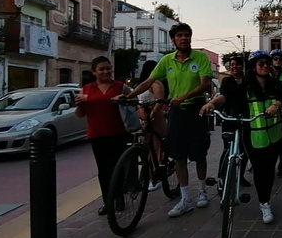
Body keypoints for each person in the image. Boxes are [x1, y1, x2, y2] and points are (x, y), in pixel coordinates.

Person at [125, 23, 213, 218]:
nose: (184, 38)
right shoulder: (166, 60)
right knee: (178, 155)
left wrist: (182, 97)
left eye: (187, 35)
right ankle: (185, 199)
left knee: (199, 154)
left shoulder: (200, 58)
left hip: (196, 109)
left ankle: (202, 191)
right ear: (173, 39)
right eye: (180, 35)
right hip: (176, 113)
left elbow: (205, 84)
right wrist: (130, 95)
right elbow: (149, 81)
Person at [200, 51, 282, 224]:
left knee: (269, 171)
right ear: (254, 66)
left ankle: (265, 200)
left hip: (274, 135)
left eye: (267, 63)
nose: (265, 66)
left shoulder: (275, 84)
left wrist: (276, 105)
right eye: (261, 63)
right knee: (260, 170)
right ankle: (264, 204)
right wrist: (211, 103)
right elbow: (226, 97)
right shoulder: (245, 86)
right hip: (252, 135)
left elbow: (281, 99)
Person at [74, 56, 131, 215]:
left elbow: (133, 102)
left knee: (118, 167)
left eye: (108, 68)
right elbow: (80, 114)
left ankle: (119, 197)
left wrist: (125, 100)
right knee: (104, 170)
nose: (106, 71)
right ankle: (108, 201)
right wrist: (79, 104)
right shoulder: (86, 90)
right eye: (101, 69)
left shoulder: (120, 87)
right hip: (97, 135)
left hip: (118, 133)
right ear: (94, 72)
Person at [219, 55, 251, 187]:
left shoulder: (248, 81)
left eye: (237, 64)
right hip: (229, 117)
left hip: (245, 117)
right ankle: (222, 177)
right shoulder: (226, 81)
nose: (234, 67)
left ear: (242, 67)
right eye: (232, 65)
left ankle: (240, 175)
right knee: (227, 148)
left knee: (244, 150)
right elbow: (223, 97)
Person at [136, 60, 168, 192]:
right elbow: (159, 102)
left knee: (153, 146)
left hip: (146, 115)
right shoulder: (153, 83)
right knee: (156, 145)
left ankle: (152, 175)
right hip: (152, 115)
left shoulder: (144, 84)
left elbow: (139, 102)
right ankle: (154, 174)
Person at [270, 49, 282, 177]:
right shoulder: (266, 74)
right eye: (275, 59)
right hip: (269, 112)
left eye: (280, 59)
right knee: (270, 138)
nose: (278, 61)